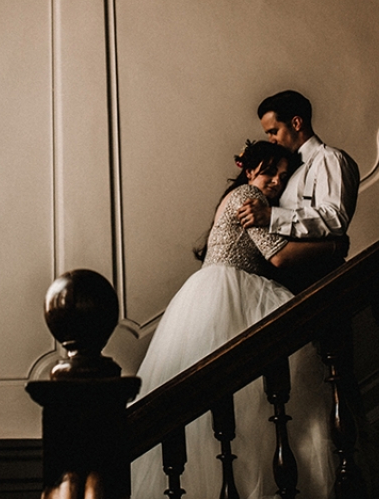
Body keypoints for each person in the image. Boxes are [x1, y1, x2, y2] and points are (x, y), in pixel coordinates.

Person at [131, 141, 342, 499]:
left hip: (214, 290)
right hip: (230, 291)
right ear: (249, 170)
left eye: (282, 175)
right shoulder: (249, 197)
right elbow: (278, 259)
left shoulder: (242, 197)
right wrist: (334, 246)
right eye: (269, 171)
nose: (276, 181)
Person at [238, 90, 360, 292]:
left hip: (320, 277)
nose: (271, 140)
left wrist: (272, 216)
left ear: (296, 123)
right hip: (286, 279)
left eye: (273, 132)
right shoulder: (285, 169)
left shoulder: (330, 160)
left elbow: (334, 218)